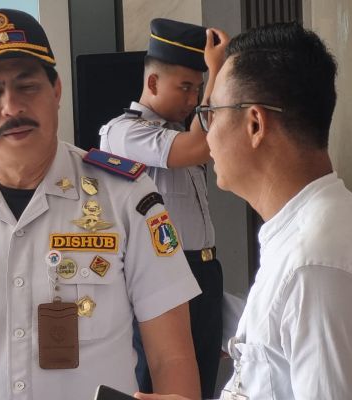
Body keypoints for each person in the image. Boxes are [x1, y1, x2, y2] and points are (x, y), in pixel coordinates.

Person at [0, 9, 202, 400]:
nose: (12, 107)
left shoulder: (127, 197)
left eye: (27, 86)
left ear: (56, 91)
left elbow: (171, 358)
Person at [135, 22, 352, 400]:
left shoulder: (314, 266)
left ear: (255, 124)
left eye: (211, 112)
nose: (207, 132)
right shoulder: (303, 236)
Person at [99, 19, 229, 398]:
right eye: (185, 87)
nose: (192, 99)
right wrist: (217, 69)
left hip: (204, 271)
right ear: (153, 83)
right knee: (156, 384)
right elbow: (199, 148)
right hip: (162, 275)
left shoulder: (181, 131)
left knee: (201, 386)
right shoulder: (123, 131)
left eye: (198, 89)